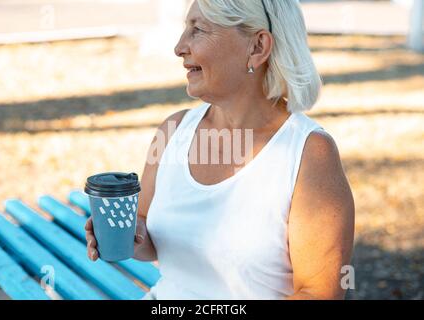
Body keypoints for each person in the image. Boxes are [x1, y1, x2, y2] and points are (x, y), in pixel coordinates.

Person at [85, 0, 355, 300]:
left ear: (257, 47)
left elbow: (320, 294)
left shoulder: (309, 153)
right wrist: (129, 236)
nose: (179, 47)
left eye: (198, 30)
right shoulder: (172, 131)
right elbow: (148, 233)